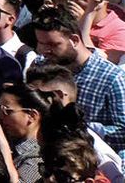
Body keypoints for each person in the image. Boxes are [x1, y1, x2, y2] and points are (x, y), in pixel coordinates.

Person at [32, 8, 125, 151]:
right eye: (40, 43)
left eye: (52, 44)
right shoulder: (41, 65)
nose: (44, 50)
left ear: (74, 40)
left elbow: (122, 132)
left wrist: (80, 129)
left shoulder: (112, 78)